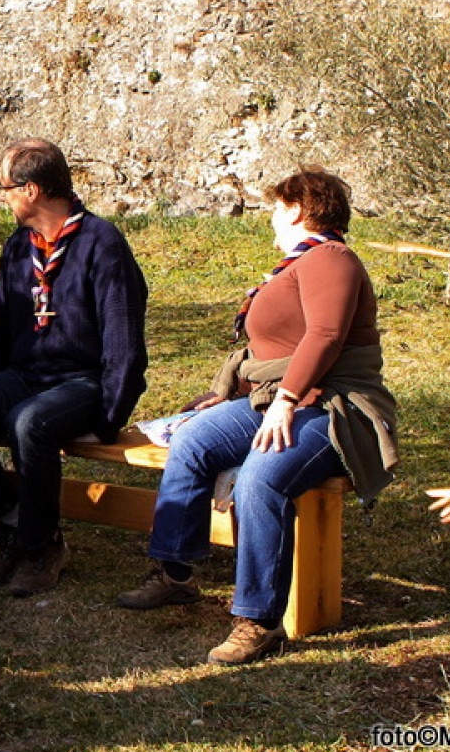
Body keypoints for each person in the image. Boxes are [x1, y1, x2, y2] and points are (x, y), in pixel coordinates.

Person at [115, 168, 398, 666]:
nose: (270, 216)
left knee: (260, 478)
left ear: (297, 208)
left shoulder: (332, 259)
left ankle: (258, 620)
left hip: (333, 407)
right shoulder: (299, 263)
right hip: (276, 398)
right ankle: (175, 573)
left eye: (275, 206)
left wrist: (287, 400)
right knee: (194, 440)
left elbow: (325, 337)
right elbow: (276, 347)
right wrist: (226, 394)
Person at [0, 138, 148, 598]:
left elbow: (124, 337)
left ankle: (41, 545)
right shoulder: (18, 246)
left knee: (30, 423)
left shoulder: (101, 243)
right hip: (26, 378)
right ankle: (10, 518)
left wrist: (109, 417)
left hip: (82, 382)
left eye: (5, 186)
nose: (2, 195)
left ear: (31, 190)